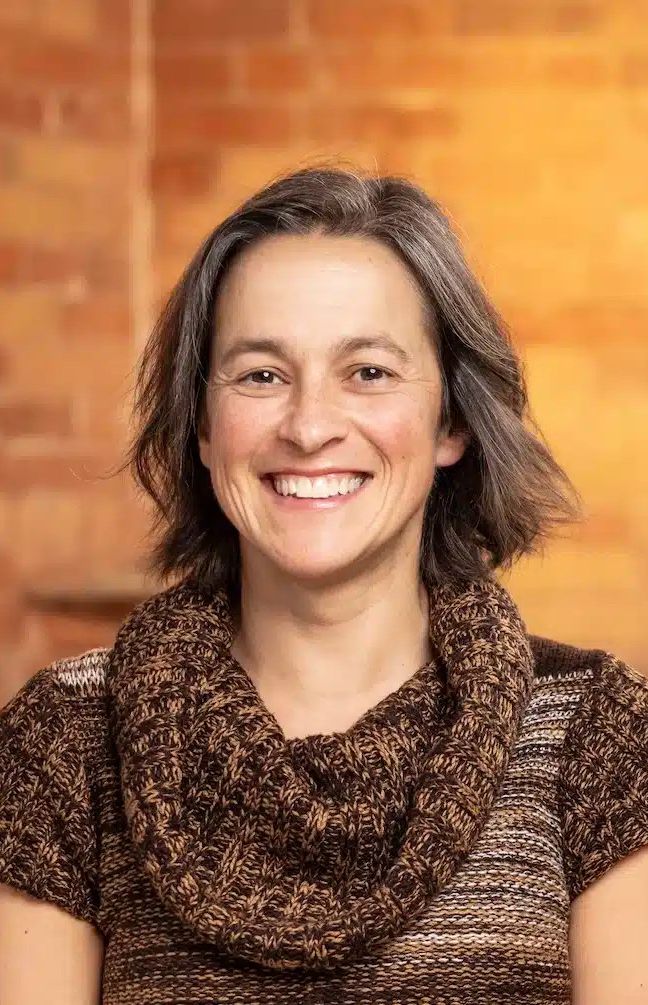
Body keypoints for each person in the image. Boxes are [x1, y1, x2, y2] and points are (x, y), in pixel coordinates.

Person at [1, 164, 647, 1005]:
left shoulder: (598, 735)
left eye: (368, 372)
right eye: (261, 375)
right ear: (202, 426)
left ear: (451, 420)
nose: (309, 427)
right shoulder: (64, 743)